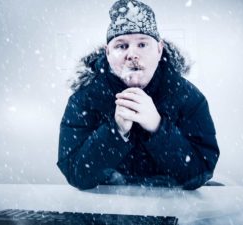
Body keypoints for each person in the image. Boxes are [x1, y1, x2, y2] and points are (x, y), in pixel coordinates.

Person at [57, 0, 219, 190]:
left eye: (142, 44)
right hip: (106, 208)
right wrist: (115, 131)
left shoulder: (188, 97)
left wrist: (157, 128)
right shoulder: (84, 100)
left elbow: (200, 172)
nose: (132, 54)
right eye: (121, 46)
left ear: (159, 50)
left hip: (172, 205)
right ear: (108, 53)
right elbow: (76, 174)